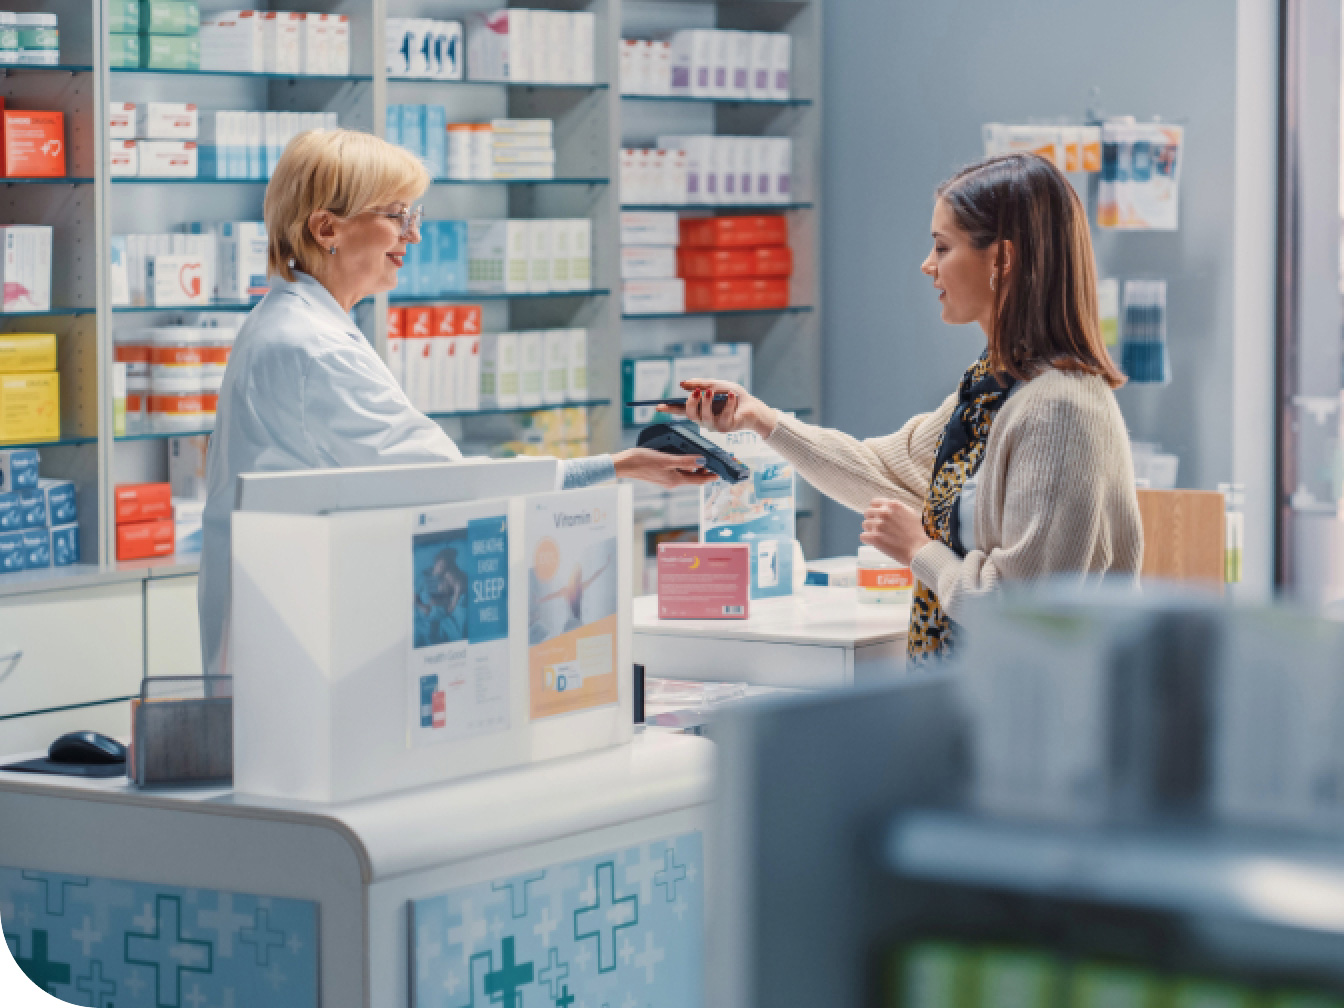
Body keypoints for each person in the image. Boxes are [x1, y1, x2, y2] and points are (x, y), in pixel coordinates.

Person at [199, 129, 714, 675]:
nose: (413, 235)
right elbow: (447, 483)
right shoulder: (315, 347)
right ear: (327, 228)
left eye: (413, 216)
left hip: (291, 617)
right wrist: (614, 467)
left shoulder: (295, 324)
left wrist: (619, 466)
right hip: (297, 634)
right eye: (396, 215)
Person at [675, 152, 1143, 661]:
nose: (927, 265)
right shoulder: (989, 389)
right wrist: (759, 419)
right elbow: (876, 471)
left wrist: (920, 551)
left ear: (1002, 260)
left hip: (1039, 703)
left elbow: (1028, 611)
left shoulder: (1061, 410)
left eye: (943, 247)